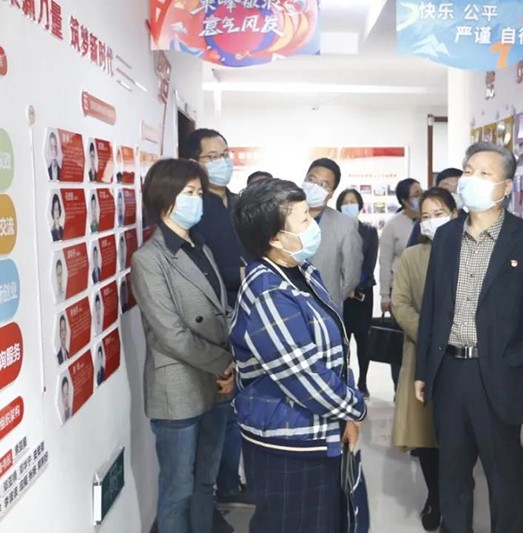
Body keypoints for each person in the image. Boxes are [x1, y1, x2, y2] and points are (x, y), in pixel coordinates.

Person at [415, 142, 523, 532]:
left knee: (504, 480)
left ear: (506, 187)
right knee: (453, 476)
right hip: (450, 370)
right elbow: (432, 307)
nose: (472, 179)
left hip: (501, 373)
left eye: (485, 173)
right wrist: (424, 369)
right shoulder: (446, 237)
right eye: (469, 171)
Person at [230, 178, 367, 533]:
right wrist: (356, 408)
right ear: (275, 238)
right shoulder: (268, 293)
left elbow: (334, 354)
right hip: (288, 445)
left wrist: (345, 416)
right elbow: (305, 376)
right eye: (304, 219)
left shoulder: (301, 271)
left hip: (316, 432)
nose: (313, 225)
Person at [131, 158, 234, 533]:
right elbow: (171, 333)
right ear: (164, 198)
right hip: (178, 388)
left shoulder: (200, 246)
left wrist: (232, 362)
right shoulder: (148, 259)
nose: (197, 200)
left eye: (199, 192)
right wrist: (224, 363)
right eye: (189, 192)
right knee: (178, 489)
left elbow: (220, 310)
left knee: (206, 483)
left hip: (217, 383)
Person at [184, 128, 250, 510]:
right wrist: (237, 273)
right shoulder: (195, 208)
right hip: (211, 323)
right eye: (213, 156)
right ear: (194, 162)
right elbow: (197, 267)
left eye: (226, 153)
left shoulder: (239, 203)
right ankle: (208, 498)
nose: (223, 161)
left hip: (245, 316)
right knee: (216, 412)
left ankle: (230, 483)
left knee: (235, 410)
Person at [392, 187, 458, 531]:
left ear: (455, 214)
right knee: (426, 433)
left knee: (456, 436)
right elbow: (400, 303)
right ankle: (435, 495)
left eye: (439, 214)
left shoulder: (469, 253)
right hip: (422, 355)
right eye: (425, 217)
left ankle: (455, 498)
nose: (431, 222)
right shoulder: (412, 256)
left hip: (462, 357)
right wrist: (432, 335)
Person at [303, 157, 363, 310]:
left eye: (324, 185)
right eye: (312, 180)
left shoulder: (345, 226)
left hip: (325, 309)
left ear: (331, 193)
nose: (315, 187)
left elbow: (351, 277)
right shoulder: (283, 217)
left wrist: (332, 297)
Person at [380, 177, 422, 387]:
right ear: (405, 200)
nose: (420, 197)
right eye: (416, 195)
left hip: (422, 289)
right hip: (400, 290)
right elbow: (385, 261)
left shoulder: (428, 221)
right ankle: (399, 386)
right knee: (399, 341)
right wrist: (384, 296)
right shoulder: (393, 225)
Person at [336, 188, 378, 396]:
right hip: (341, 294)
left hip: (362, 295)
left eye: (352, 201)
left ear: (360, 205)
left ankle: (362, 381)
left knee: (363, 340)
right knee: (342, 340)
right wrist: (345, 287)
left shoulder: (369, 232)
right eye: (345, 202)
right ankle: (344, 380)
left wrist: (356, 286)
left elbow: (369, 264)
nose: (349, 205)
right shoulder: (335, 231)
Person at [407, 168, 464, 247]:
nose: (453, 195)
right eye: (447, 191)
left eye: (457, 190)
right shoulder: (425, 221)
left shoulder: (472, 219)